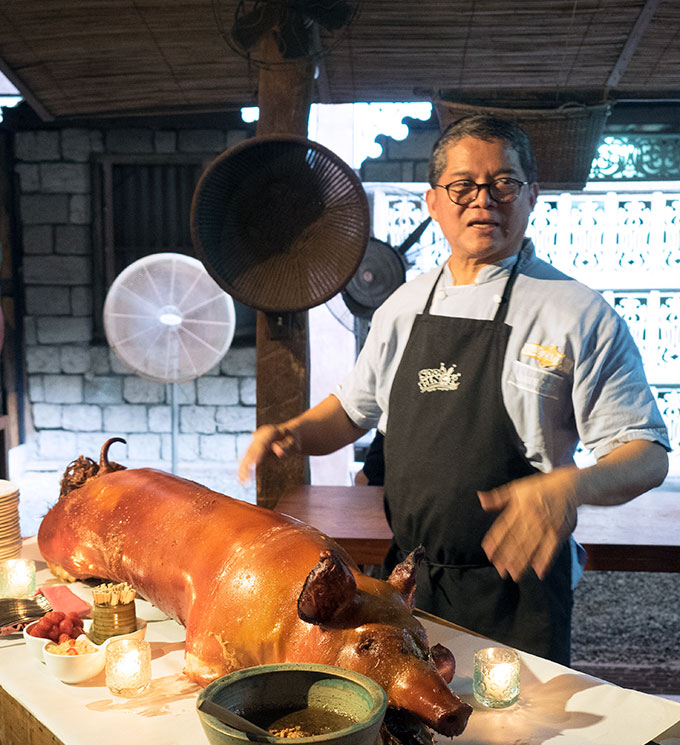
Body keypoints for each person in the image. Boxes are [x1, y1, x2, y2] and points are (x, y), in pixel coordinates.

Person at [239, 115, 670, 666]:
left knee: (519, 742)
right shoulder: (402, 306)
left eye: (504, 183)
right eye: (463, 186)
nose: (483, 200)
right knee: (411, 729)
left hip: (518, 587)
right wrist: (294, 432)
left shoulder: (576, 313)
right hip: (408, 584)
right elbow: (351, 412)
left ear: (532, 195)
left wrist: (569, 487)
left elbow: (646, 457)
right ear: (434, 202)